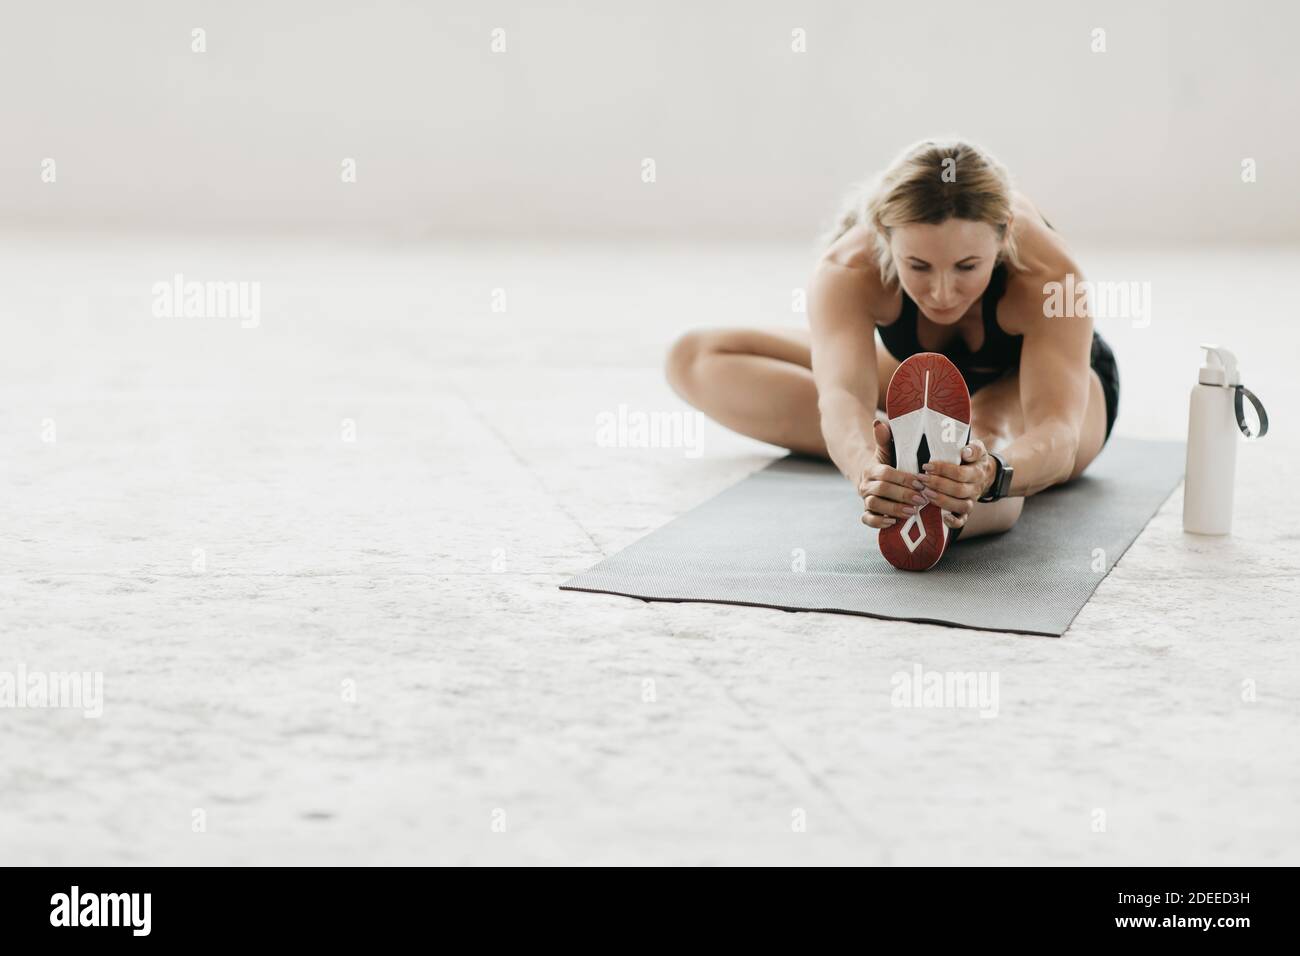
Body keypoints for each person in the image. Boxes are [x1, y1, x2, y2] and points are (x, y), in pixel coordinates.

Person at [665, 138, 1120, 544]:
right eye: (918, 266)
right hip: (920, 375)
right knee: (694, 357)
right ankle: (904, 453)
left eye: (967, 266)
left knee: (981, 440)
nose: (942, 293)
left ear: (1002, 236)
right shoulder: (848, 269)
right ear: (885, 236)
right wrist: (866, 468)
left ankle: (952, 481)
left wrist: (988, 474)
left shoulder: (1050, 276)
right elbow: (842, 397)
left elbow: (1057, 432)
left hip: (1031, 386)